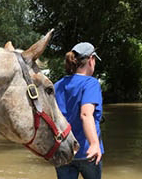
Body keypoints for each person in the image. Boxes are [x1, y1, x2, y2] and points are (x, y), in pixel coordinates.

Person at [54, 42, 104, 179]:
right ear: (91, 60)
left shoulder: (57, 86)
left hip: (63, 151)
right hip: (88, 151)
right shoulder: (91, 83)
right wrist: (94, 144)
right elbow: (86, 114)